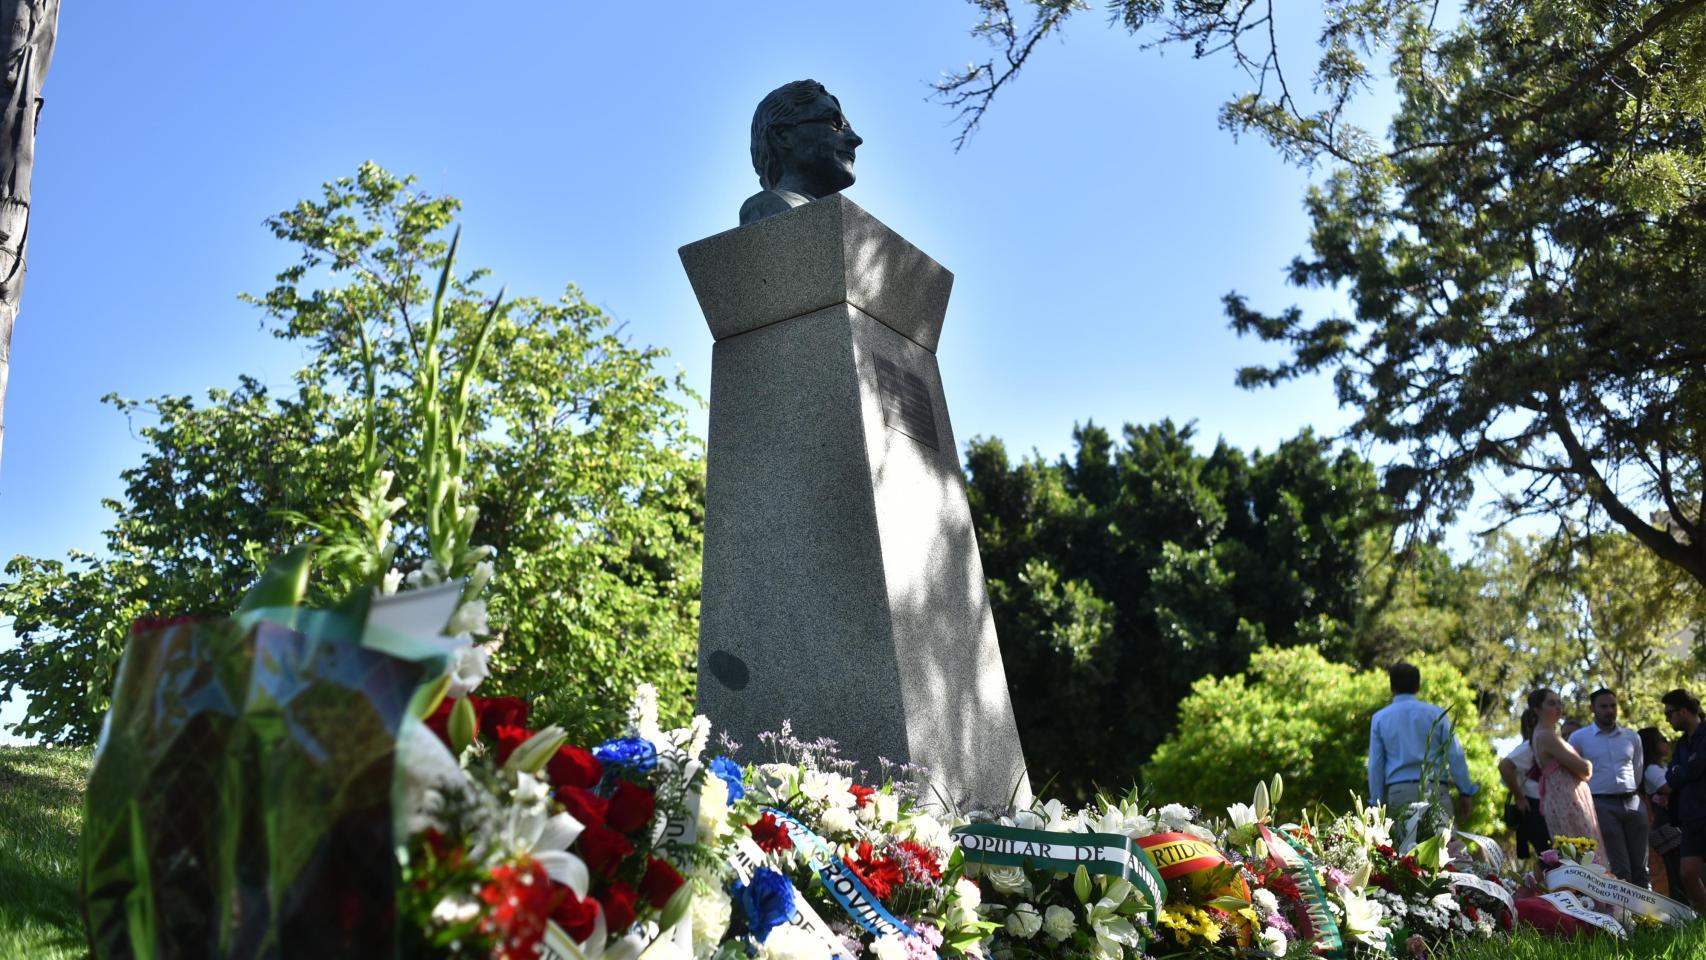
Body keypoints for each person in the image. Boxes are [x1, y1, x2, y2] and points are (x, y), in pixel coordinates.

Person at [740, 80, 863, 225]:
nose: (856, 139)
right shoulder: (767, 206)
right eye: (836, 123)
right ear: (782, 135)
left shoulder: (839, 222)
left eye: (848, 127)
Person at [1368, 663, 1478, 818]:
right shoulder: (1437, 714)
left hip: (1399, 793)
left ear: (1392, 687)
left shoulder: (1379, 718)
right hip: (1435, 791)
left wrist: (1375, 803)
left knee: (1402, 842)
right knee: (1443, 842)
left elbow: (1375, 764)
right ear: (1418, 686)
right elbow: (1456, 755)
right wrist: (1465, 791)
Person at [1568, 688, 1647, 884]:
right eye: (1604, 706)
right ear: (1592, 708)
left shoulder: (1632, 737)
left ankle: (1648, 913)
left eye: (1613, 706)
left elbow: (1638, 770)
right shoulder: (1579, 738)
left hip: (1633, 803)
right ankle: (1625, 914)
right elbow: (1572, 775)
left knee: (1642, 867)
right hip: (1602, 805)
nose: (1609, 710)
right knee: (1620, 868)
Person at [1529, 688, 1605, 858]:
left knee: (1581, 855)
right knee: (1584, 857)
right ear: (1537, 709)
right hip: (1566, 800)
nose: (1558, 708)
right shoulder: (1545, 736)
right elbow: (1584, 769)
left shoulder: (1546, 735)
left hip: (1565, 798)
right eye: (1551, 703)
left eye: (1559, 703)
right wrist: (1588, 764)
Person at [1663, 688, 1706, 911]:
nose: (1667, 719)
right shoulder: (1680, 744)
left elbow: (1694, 769)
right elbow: (1671, 774)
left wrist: (1682, 771)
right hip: (1691, 817)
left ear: (1683, 711)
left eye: (1669, 714)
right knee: (1688, 873)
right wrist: (1683, 770)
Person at [1499, 708, 1549, 857]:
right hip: (1533, 804)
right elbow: (1504, 766)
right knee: (1546, 855)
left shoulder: (1536, 745)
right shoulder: (1528, 747)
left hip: (1540, 804)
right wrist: (1520, 797)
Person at [1639, 725, 1680, 896]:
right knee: (1676, 874)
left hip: (1672, 826)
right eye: (1662, 739)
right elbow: (1668, 788)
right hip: (1667, 829)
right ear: (1651, 744)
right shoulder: (1651, 770)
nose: (1666, 741)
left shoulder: (1662, 767)